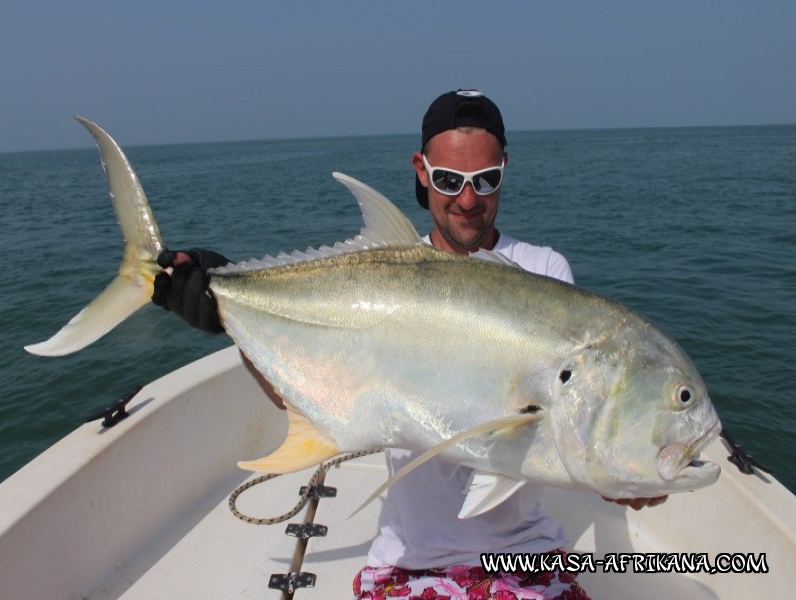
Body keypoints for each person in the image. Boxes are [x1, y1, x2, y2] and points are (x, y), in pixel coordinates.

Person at [152, 90, 665, 599]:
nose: (467, 200)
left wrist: (628, 470)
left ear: (505, 168)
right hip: (409, 565)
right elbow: (306, 395)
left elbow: (575, 429)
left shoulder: (544, 275)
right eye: (448, 181)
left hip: (525, 563)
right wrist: (226, 315)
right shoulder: (379, 274)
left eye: (486, 181)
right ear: (421, 170)